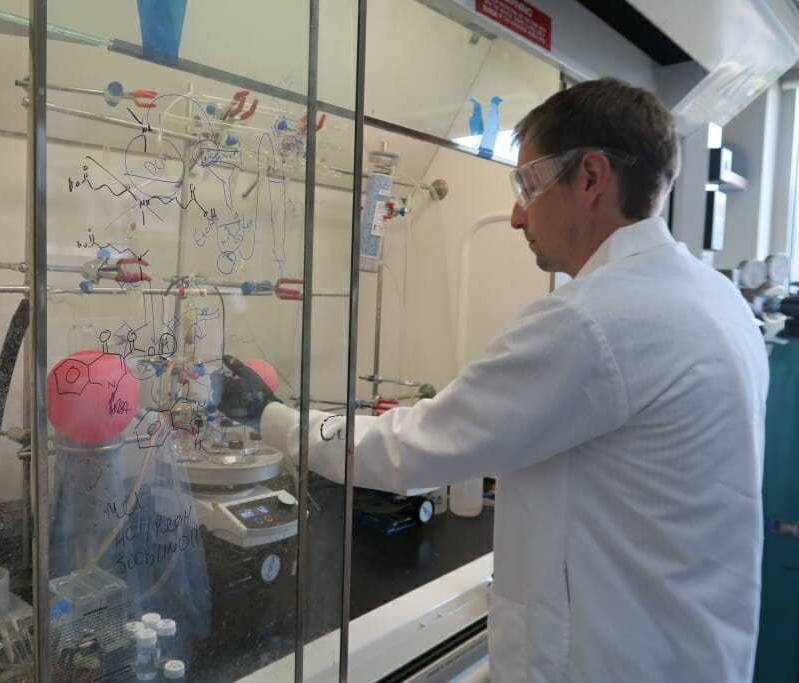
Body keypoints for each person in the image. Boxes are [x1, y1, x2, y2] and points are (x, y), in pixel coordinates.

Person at [220, 78, 769, 683]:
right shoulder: (718, 299)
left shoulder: (595, 319)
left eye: (528, 185)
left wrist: (270, 416)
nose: (515, 215)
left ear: (591, 178)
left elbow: (409, 448)